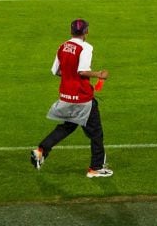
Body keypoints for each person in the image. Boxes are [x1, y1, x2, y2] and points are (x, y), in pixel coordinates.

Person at [30, 19, 112, 178]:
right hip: (82, 99)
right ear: (86, 31)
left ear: (71, 31)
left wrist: (69, 75)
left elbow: (56, 71)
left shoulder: (62, 46)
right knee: (96, 133)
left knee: (69, 126)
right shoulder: (86, 47)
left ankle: (41, 150)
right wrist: (99, 74)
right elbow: (82, 71)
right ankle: (96, 168)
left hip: (66, 96)